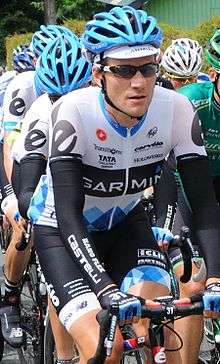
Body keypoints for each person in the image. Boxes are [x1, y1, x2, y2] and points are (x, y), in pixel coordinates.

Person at [24, 6, 220, 364]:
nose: (139, 82)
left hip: (127, 225)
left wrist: (216, 279)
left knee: (153, 326)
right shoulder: (73, 111)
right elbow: (68, 215)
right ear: (98, 73)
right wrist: (105, 288)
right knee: (106, 347)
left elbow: (205, 204)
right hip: (62, 233)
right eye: (124, 70)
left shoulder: (175, 109)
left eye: (148, 68)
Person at [15, 34, 92, 363]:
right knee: (54, 260)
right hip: (45, 174)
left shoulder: (101, 102)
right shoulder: (41, 111)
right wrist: (25, 200)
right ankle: (62, 357)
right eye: (57, 94)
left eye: (74, 92)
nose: (66, 101)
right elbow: (29, 165)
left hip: (90, 187)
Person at [0, 25, 77, 349]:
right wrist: (12, 199)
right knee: (25, 226)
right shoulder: (26, 87)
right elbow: (9, 145)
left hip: (60, 158)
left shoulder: (83, 89)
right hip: (20, 153)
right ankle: (10, 296)